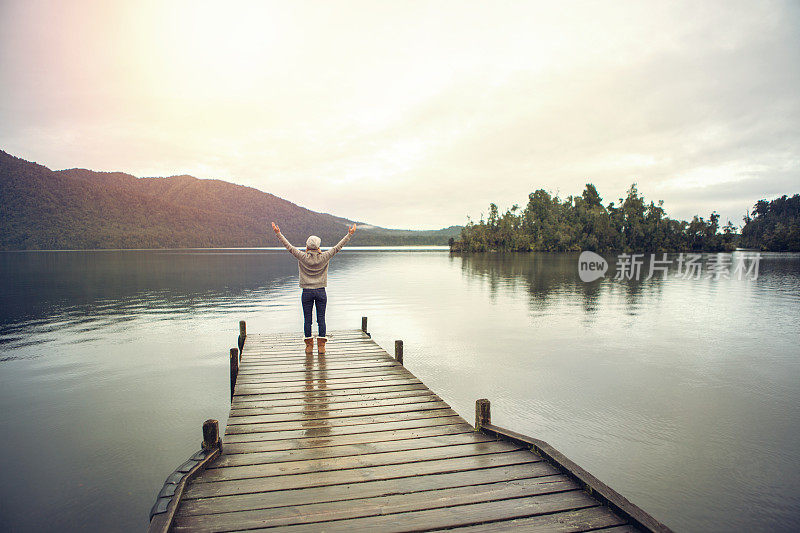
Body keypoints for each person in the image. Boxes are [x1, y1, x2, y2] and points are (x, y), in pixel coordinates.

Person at [272, 221, 356, 354]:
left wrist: (278, 233)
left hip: (307, 292)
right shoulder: (325, 256)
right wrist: (349, 235)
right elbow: (338, 247)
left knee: (307, 319)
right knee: (321, 318)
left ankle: (309, 346)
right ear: (318, 247)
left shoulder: (302, 256)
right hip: (321, 291)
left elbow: (288, 246)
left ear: (307, 246)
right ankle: (321, 346)